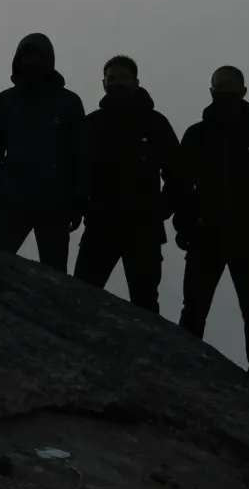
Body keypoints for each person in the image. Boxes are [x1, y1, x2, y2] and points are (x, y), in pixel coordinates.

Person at [173, 65, 249, 373]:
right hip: (204, 235)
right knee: (195, 308)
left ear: (243, 91)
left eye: (230, 87)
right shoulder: (197, 135)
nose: (224, 93)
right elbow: (180, 184)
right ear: (211, 91)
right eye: (220, 87)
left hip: (248, 237)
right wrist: (184, 225)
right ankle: (183, 366)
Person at [72, 55, 178, 312]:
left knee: (145, 304)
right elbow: (74, 169)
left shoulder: (155, 123)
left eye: (123, 78)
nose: (117, 84)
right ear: (103, 83)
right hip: (100, 223)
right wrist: (82, 205)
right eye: (112, 79)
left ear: (136, 81)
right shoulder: (92, 124)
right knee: (79, 297)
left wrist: (163, 207)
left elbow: (177, 171)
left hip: (143, 228)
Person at [0, 33, 89, 271]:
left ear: (49, 60)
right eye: (25, 56)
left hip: (55, 202)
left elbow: (80, 155)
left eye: (36, 56)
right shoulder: (5, 101)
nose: (30, 62)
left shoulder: (69, 103)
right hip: (11, 198)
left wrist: (77, 201)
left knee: (55, 275)